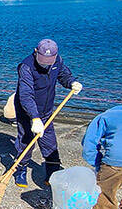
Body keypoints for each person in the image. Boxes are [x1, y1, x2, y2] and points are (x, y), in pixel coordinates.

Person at [13, 38, 82, 188]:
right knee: (26, 140)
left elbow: (64, 75)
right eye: (43, 60)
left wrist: (72, 82)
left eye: (49, 61)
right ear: (36, 51)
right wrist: (35, 118)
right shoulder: (26, 66)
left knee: (50, 143)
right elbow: (26, 95)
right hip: (27, 110)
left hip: (46, 110)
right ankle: (20, 170)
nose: (45, 64)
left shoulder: (57, 61)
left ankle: (52, 173)